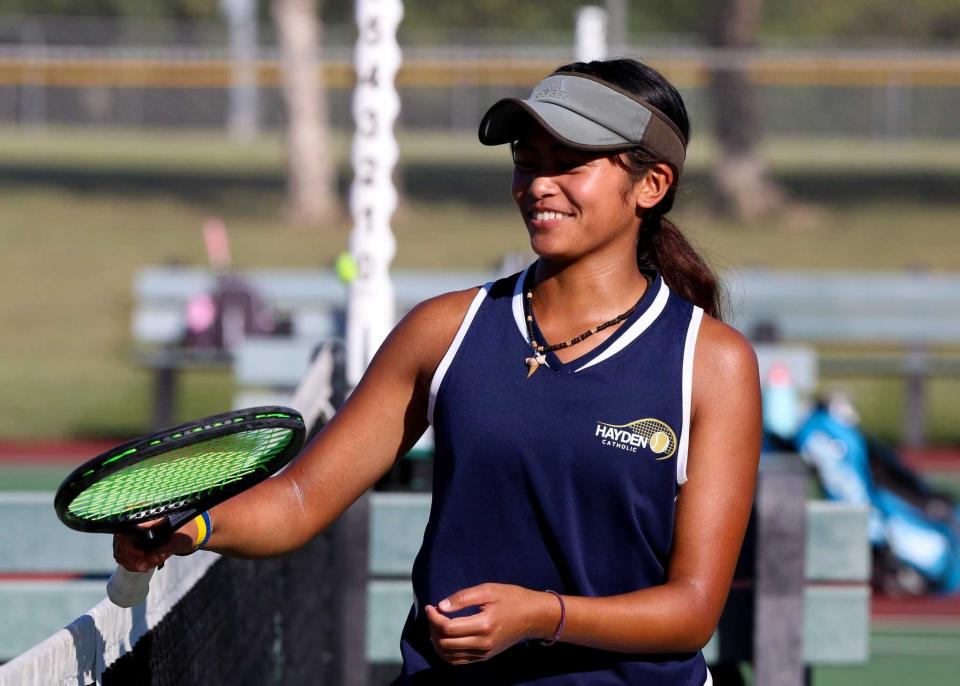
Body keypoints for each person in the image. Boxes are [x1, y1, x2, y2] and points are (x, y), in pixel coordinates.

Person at [115, 58, 761, 685]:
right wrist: (192, 527)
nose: (538, 184)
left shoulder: (712, 364)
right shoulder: (443, 331)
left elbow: (693, 610)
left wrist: (543, 616)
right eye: (526, 160)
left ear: (652, 184)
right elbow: (302, 499)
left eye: (569, 163)